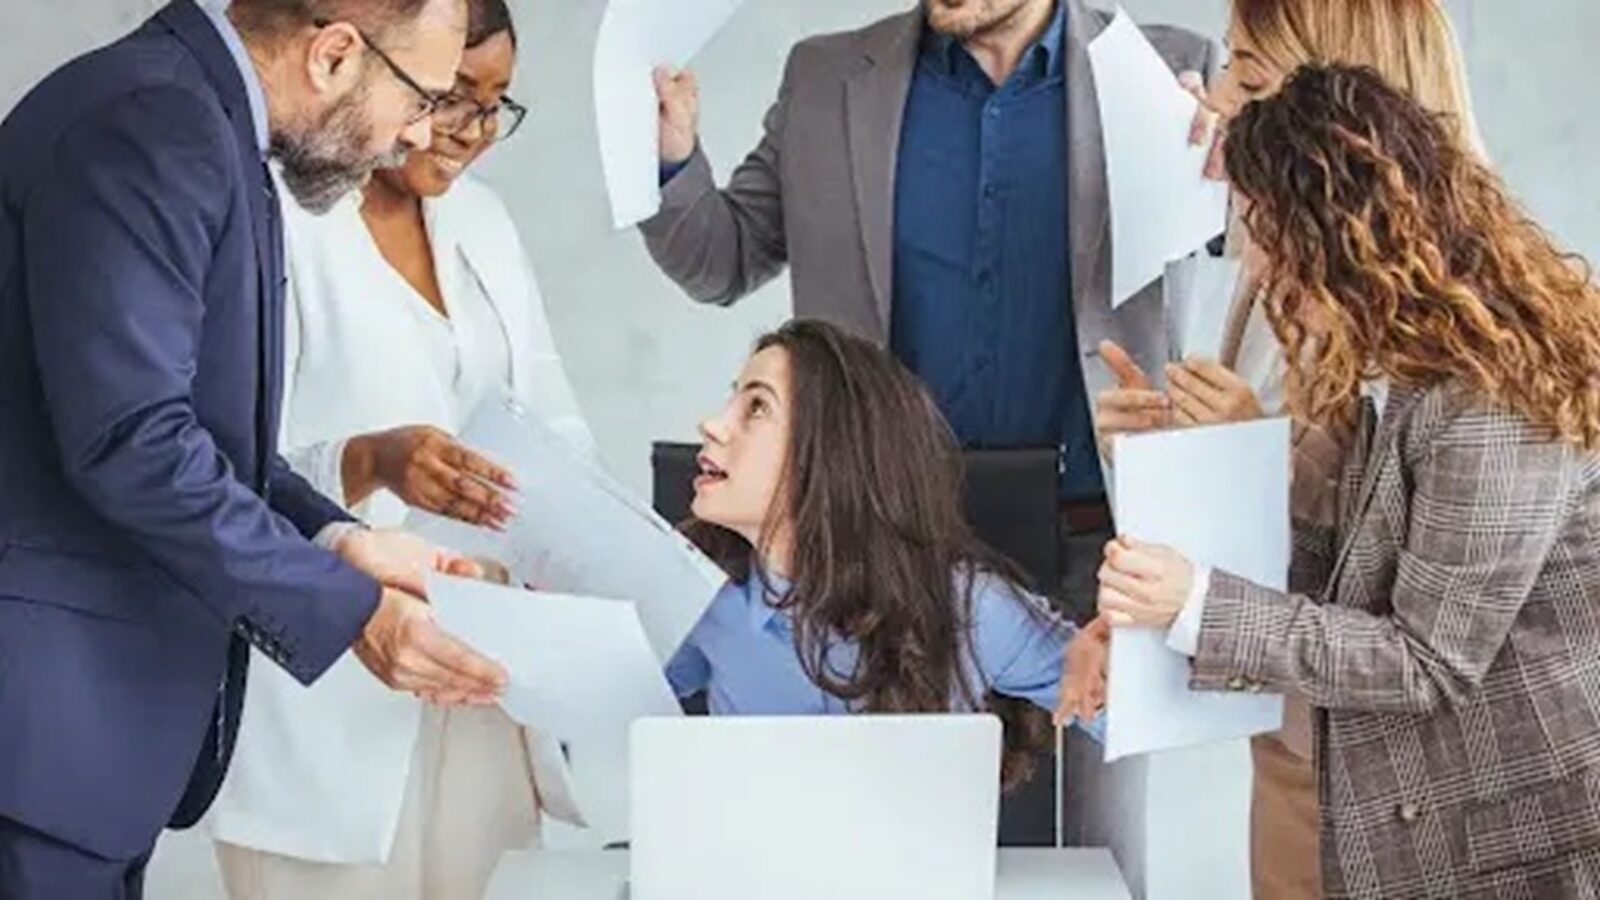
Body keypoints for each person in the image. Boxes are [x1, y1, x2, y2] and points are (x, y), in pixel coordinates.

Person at [0, 0, 511, 895]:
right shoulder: (156, 125)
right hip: (39, 745)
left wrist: (339, 539)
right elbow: (132, 443)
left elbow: (194, 428)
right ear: (334, 53)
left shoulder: (203, 123)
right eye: (422, 98)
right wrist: (354, 611)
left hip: (75, 753)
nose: (416, 134)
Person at [1086, 65, 1600, 897]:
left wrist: (1196, 605)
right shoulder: (1397, 370)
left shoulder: (1490, 402)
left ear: (1339, 230)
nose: (1255, 265)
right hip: (1434, 827)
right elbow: (1338, 580)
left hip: (1517, 848)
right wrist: (1183, 468)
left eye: (1265, 230)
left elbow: (1425, 662)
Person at [643, 0, 1217, 615]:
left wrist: (1247, 172)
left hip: (1098, 545)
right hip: (875, 537)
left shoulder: (1173, 69)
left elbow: (1259, 259)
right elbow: (722, 260)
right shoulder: (825, 78)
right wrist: (670, 159)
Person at [207, 2, 594, 896]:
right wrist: (371, 458)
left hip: (485, 679)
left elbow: (556, 421)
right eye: (452, 96)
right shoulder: (281, 218)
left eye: (495, 105)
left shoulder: (485, 223)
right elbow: (224, 460)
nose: (469, 131)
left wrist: (587, 545)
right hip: (327, 688)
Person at [668, 319, 1109, 789]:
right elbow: (618, 717)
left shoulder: (972, 608)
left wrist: (1117, 663)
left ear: (835, 450)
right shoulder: (699, 600)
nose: (711, 426)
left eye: (756, 407)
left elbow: (1130, 717)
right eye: (732, 400)